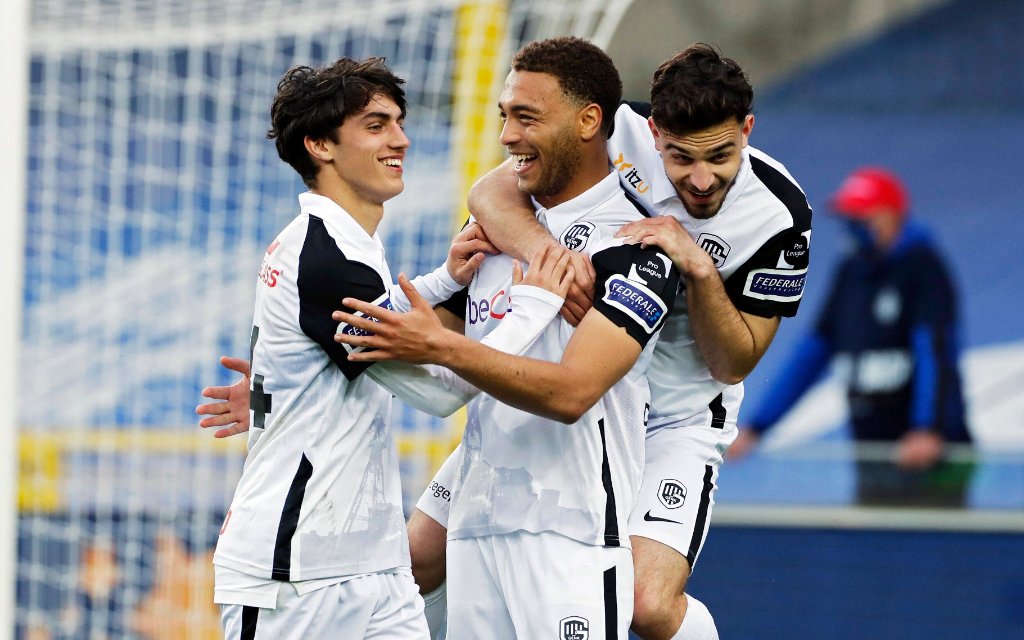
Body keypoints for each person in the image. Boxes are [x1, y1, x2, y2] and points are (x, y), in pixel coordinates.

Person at [359, 43, 813, 640]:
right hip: (587, 400)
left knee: (647, 606)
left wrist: (698, 268)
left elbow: (734, 362)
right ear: (652, 133)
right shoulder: (614, 131)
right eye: (679, 158)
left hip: (673, 419)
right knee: (418, 559)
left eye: (721, 156)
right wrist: (555, 259)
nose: (700, 180)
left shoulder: (779, 215)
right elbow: (490, 194)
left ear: (747, 131)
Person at [210, 56, 575, 639]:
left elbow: (383, 323)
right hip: (295, 573)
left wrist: (444, 282)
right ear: (320, 146)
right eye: (376, 126)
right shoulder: (327, 257)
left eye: (399, 123)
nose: (400, 140)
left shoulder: (345, 244)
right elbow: (438, 394)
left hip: (374, 565)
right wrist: (532, 306)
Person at [334, 37, 680, 639]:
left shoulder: (634, 246)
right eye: (504, 115)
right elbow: (428, 346)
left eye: (526, 117)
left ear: (588, 120)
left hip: (569, 533)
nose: (507, 135)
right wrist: (289, 382)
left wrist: (442, 346)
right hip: (476, 525)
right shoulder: (493, 229)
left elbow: (573, 393)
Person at [730, 166, 972, 506]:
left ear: (891, 216)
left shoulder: (923, 267)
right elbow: (812, 354)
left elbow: (935, 350)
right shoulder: (851, 272)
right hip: (873, 454)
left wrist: (927, 429)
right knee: (874, 552)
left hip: (933, 456)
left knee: (936, 554)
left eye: (861, 218)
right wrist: (758, 427)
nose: (852, 228)